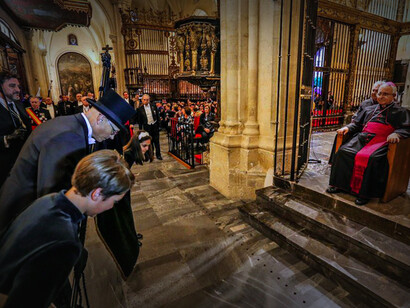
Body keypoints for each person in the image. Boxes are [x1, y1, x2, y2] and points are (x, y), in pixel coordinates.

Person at [0, 150, 135, 308]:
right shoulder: (65, 242)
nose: (112, 206)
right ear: (97, 193)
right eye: (115, 201)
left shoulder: (47, 200)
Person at [0, 89, 136, 233]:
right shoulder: (68, 138)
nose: (112, 137)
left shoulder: (71, 125)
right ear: (100, 118)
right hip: (21, 218)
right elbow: (51, 195)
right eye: (113, 130)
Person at [327, 82, 410, 205]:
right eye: (379, 93)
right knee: (343, 152)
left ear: (394, 96)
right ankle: (338, 185)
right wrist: (347, 128)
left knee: (371, 159)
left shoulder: (401, 112)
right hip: (363, 138)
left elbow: (406, 128)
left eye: (385, 94)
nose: (381, 96)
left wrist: (396, 134)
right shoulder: (369, 108)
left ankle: (364, 193)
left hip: (382, 141)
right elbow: (356, 124)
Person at [0, 72, 31, 187]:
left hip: (23, 162)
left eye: (18, 86)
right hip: (4, 167)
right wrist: (7, 138)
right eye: (12, 86)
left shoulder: (18, 104)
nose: (17, 90)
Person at [137, 94, 162, 160]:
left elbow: (157, 116)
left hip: (154, 125)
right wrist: (140, 130)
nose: (146, 101)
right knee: (149, 142)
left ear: (149, 100)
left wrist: (159, 125)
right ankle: (151, 155)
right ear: (142, 100)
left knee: (156, 141)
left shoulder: (153, 106)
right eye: (144, 100)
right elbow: (140, 120)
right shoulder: (139, 109)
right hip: (147, 126)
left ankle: (158, 155)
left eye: (147, 100)